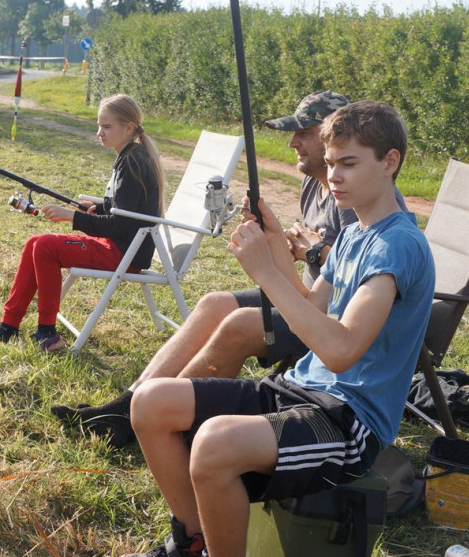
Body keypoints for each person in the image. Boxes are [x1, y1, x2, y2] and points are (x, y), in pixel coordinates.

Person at [124, 101, 434, 557]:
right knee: (150, 402)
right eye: (330, 164)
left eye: (348, 164)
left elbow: (341, 350)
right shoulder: (353, 234)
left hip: (348, 421)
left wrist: (265, 275)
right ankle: (192, 541)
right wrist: (272, 243)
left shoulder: (398, 247)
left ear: (390, 162)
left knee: (213, 446)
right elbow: (309, 307)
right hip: (301, 388)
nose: (334, 177)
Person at [52, 91, 406, 447]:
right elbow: (312, 273)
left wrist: (312, 252)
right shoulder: (314, 182)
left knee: (240, 324)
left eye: (304, 132)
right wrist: (273, 237)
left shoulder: (358, 196)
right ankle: (128, 407)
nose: (293, 142)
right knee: (213, 303)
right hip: (308, 299)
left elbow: (360, 272)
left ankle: (159, 420)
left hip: (334, 320)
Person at [0, 93, 166, 352]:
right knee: (35, 242)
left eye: (107, 126)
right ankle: (7, 327)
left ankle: (47, 334)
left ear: (129, 127)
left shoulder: (132, 162)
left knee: (45, 246)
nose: (100, 132)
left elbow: (120, 225)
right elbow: (122, 209)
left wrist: (72, 216)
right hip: (122, 245)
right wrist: (97, 207)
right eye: (99, 125)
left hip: (125, 252)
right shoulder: (129, 156)